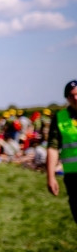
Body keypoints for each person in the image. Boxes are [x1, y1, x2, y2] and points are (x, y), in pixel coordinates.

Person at [47, 79, 77, 224]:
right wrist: (51, 176)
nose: (75, 98)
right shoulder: (60, 118)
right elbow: (53, 148)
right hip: (73, 177)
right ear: (67, 98)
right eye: (71, 95)